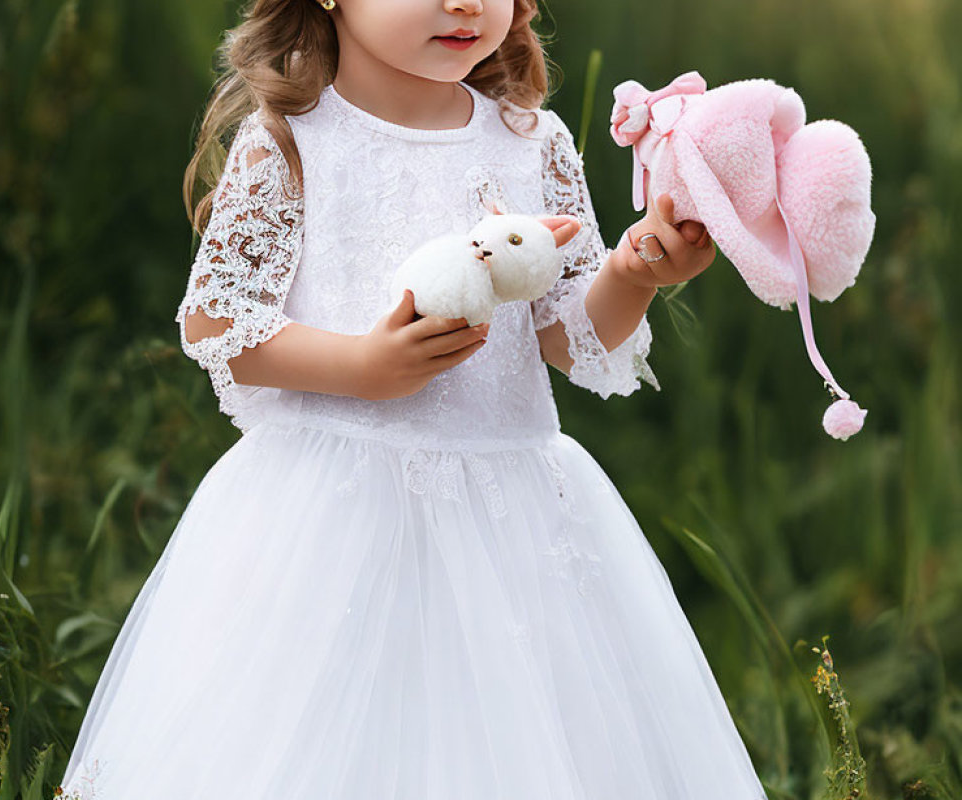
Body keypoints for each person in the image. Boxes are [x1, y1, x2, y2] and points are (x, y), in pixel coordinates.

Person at [57, 0, 770, 797]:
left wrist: (632, 276)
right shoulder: (295, 139)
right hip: (331, 515)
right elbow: (220, 320)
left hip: (511, 517)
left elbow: (569, 339)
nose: (463, 3)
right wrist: (362, 366)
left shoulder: (533, 143)